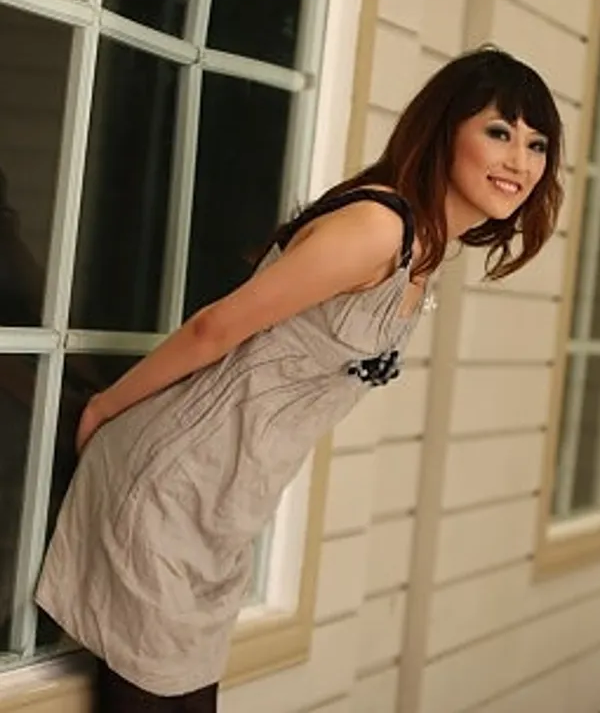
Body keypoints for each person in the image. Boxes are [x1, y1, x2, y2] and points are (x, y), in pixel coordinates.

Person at [34, 46, 563, 711]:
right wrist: (104, 407)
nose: (520, 161)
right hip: (167, 488)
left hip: (218, 513)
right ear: (444, 130)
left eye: (537, 145)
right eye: (499, 132)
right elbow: (216, 328)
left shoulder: (423, 253)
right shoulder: (378, 227)